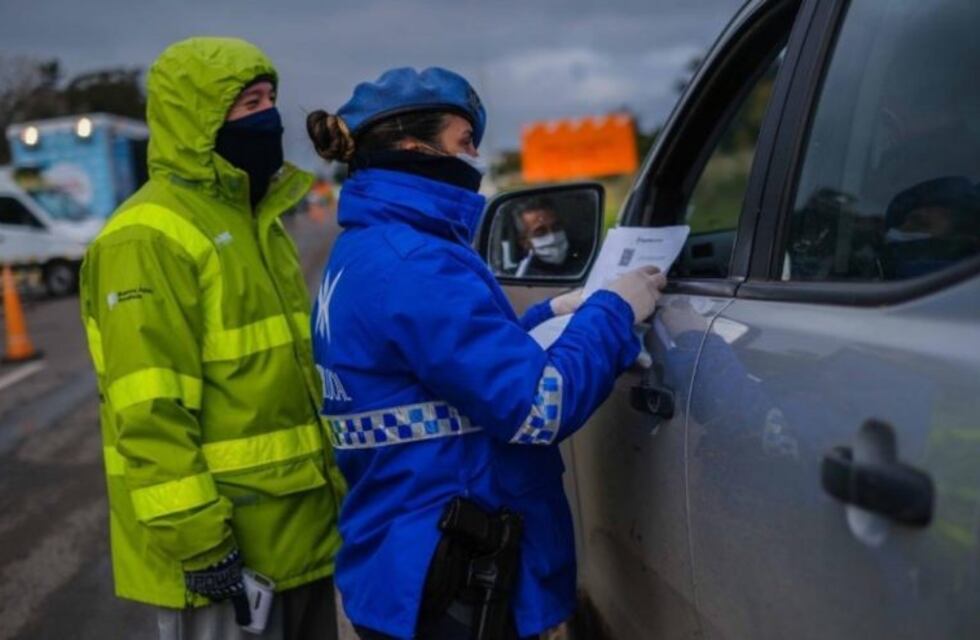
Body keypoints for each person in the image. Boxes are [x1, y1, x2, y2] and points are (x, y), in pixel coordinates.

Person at [305, 66, 665, 639]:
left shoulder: (370, 249)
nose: (475, 157)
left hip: (404, 561)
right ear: (413, 147)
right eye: (464, 140)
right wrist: (614, 312)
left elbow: (443, 370)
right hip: (454, 578)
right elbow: (538, 407)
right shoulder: (418, 262)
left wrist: (550, 315)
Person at [79, 37, 344, 640]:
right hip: (225, 561)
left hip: (300, 540)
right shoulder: (147, 238)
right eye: (249, 103)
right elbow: (149, 415)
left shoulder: (256, 219)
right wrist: (200, 544)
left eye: (271, 98)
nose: (269, 116)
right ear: (197, 119)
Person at [512, 197, 587, 278]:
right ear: (524, 242)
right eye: (540, 232)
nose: (552, 237)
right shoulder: (521, 275)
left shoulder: (585, 259)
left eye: (556, 227)